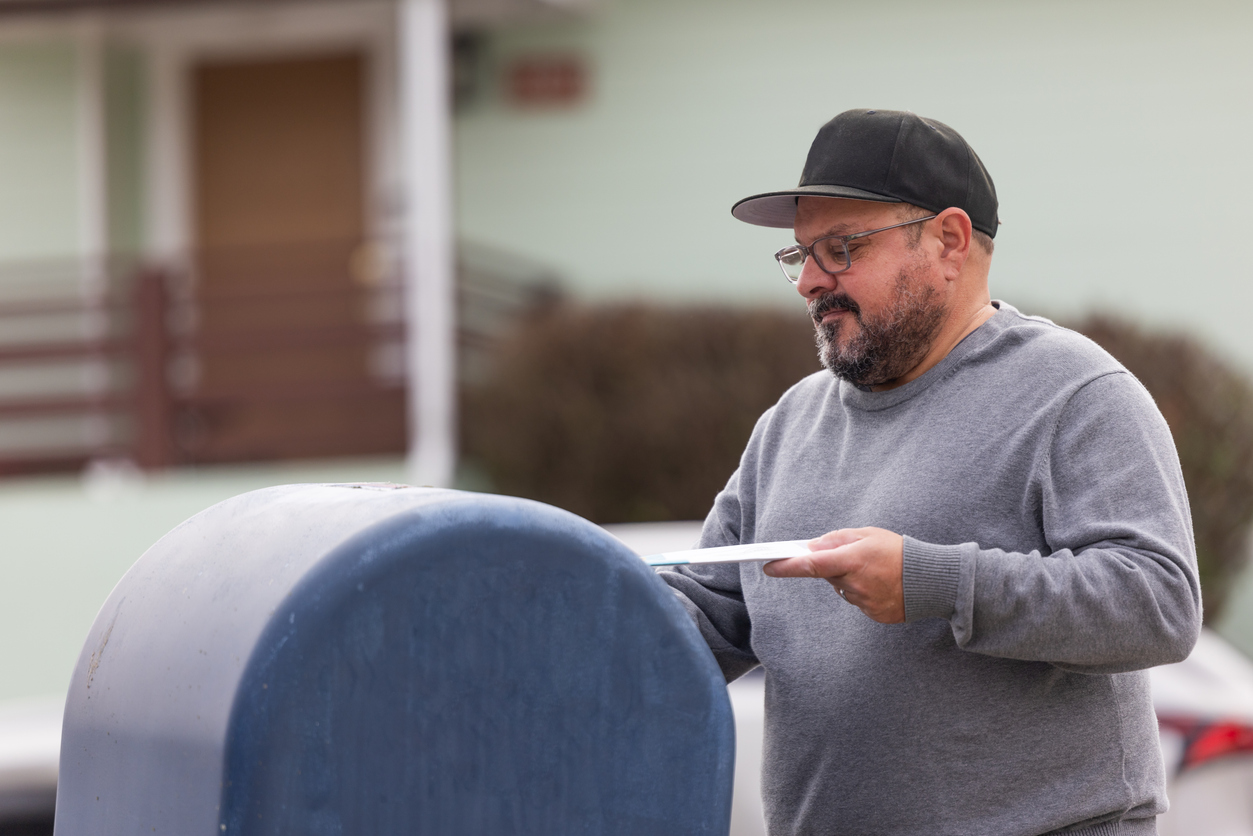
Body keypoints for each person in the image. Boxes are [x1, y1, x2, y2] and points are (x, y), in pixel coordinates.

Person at [658, 109, 1201, 836]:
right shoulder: (790, 423)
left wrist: (933, 581)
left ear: (948, 240)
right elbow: (709, 614)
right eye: (800, 256)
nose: (809, 283)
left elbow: (1157, 605)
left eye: (840, 248)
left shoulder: (1072, 393)